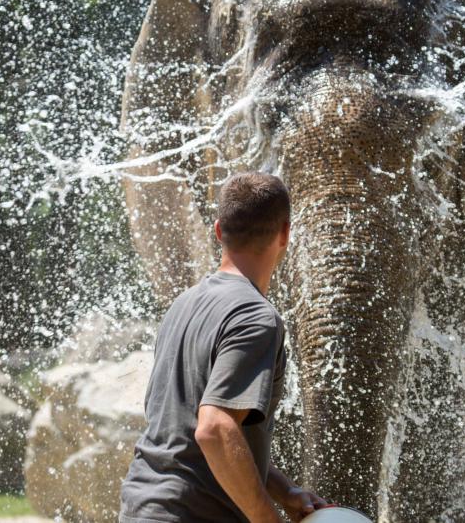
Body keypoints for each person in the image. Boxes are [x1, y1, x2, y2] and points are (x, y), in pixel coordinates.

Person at [120, 172, 328, 522]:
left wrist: (283, 490)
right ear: (285, 234)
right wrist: (267, 518)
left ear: (218, 231)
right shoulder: (256, 317)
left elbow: (184, 430)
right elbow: (214, 429)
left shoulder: (183, 305)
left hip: (141, 507)